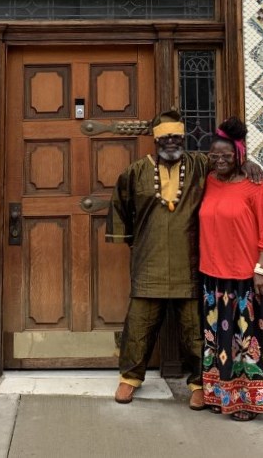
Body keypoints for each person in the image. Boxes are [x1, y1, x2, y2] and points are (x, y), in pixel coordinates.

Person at [107, 109, 210, 408]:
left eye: (176, 136)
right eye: (165, 137)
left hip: (189, 262)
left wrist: (250, 165)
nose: (171, 142)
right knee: (139, 325)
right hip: (148, 261)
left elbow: (229, 166)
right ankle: (129, 379)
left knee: (194, 329)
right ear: (155, 140)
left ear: (184, 137)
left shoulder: (201, 165)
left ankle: (199, 384)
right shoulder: (135, 172)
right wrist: (133, 242)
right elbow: (120, 208)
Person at [198, 117, 263, 420]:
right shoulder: (208, 181)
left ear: (239, 154)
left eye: (226, 155)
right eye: (214, 155)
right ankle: (220, 393)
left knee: (248, 343)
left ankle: (249, 401)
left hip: (250, 277)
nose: (220, 160)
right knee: (218, 341)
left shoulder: (256, 187)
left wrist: (261, 271)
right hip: (214, 276)